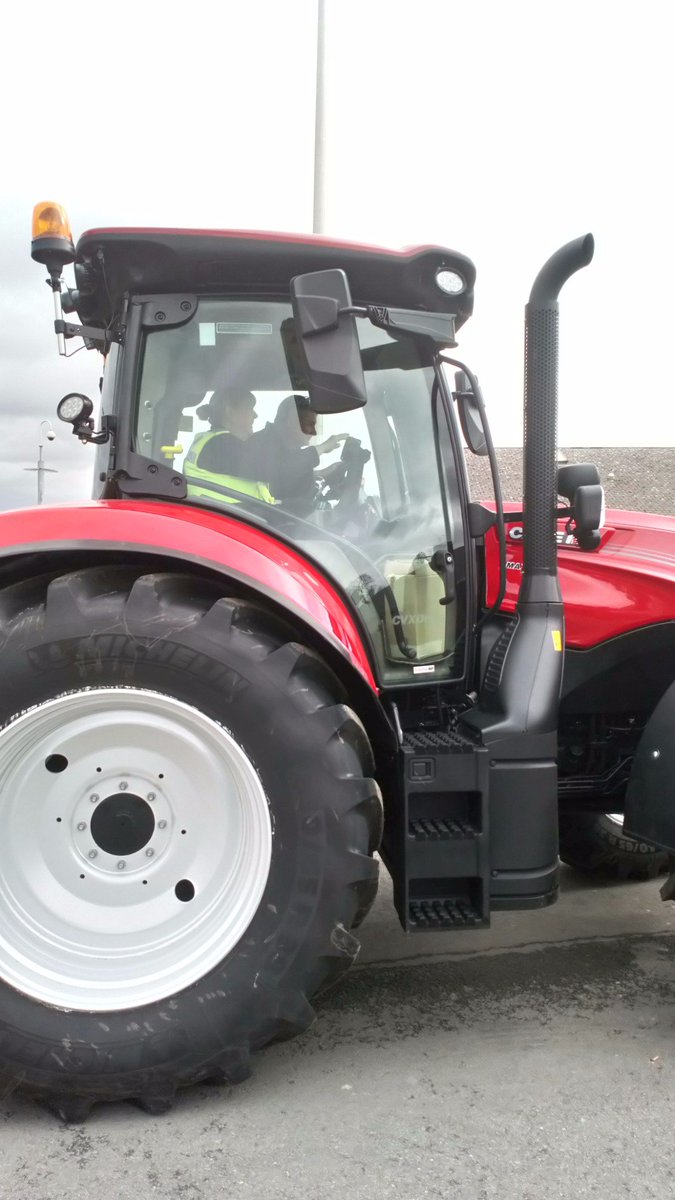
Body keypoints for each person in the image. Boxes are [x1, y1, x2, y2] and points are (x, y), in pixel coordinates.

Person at [246, 394, 347, 515]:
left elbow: (287, 475)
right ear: (291, 420)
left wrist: (321, 475)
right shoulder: (261, 443)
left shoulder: (285, 451)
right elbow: (280, 470)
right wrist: (322, 448)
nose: (313, 432)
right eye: (309, 424)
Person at [184, 390, 274, 505]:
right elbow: (277, 473)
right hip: (227, 517)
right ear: (230, 412)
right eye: (249, 408)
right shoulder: (223, 445)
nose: (255, 415)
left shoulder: (209, 439)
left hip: (224, 514)